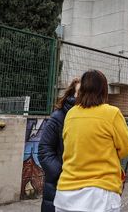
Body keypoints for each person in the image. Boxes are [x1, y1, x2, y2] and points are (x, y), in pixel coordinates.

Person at [54, 70, 128, 212]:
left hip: (65, 194)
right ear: (104, 90)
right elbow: (125, 150)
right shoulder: (112, 113)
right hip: (100, 196)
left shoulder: (71, 114)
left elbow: (69, 145)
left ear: (81, 89)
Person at [38, 78, 80, 212]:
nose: (83, 96)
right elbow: (44, 150)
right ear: (72, 94)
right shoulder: (58, 117)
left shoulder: (93, 117)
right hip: (59, 184)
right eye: (80, 92)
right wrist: (63, 172)